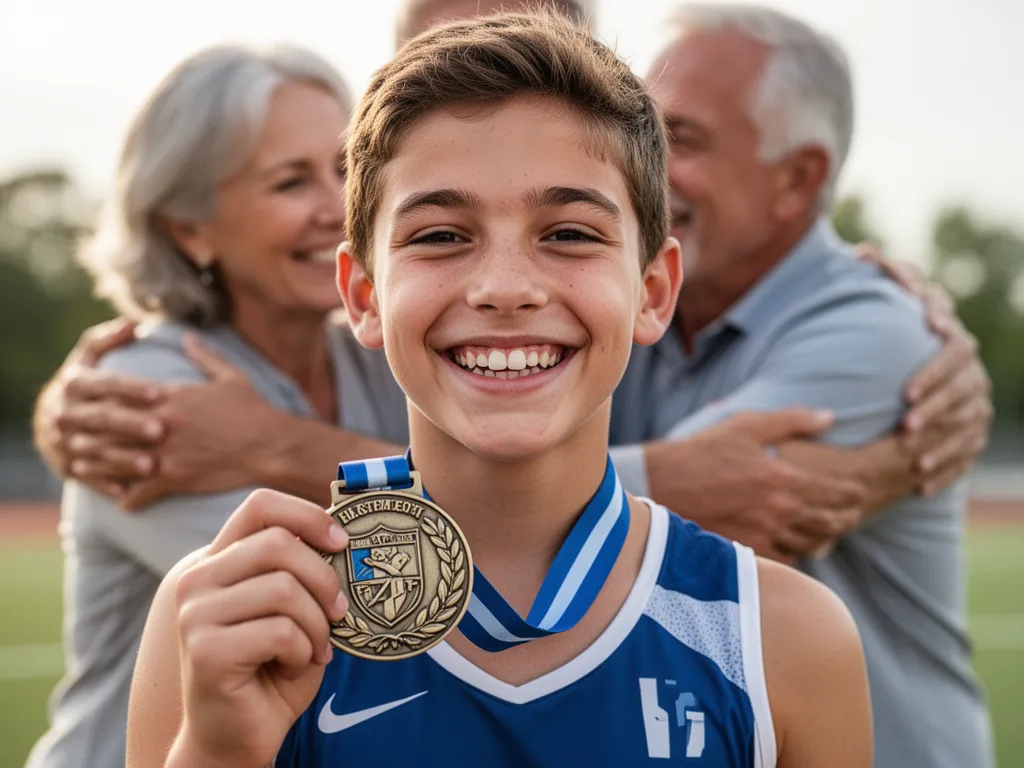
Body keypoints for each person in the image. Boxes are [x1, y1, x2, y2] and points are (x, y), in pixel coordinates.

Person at [126, 12, 873, 767]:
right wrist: (217, 753)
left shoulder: (779, 636)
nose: (505, 288)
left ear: (651, 290)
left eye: (570, 233)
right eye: (441, 235)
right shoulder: (235, 616)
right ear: (362, 295)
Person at [33, 0, 991, 565]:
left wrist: (276, 447)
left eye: (568, 227)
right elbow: (419, 573)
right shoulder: (180, 390)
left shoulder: (841, 324)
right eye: (293, 180)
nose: (505, 281)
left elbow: (747, 503)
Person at [609, 5, 991, 766]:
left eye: (676, 140)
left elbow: (621, 529)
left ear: (797, 179)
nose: (635, 169)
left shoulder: (876, 333)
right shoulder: (636, 297)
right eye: (636, 134)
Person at [23, 45, 411, 768]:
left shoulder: (377, 356)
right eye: (290, 182)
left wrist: (278, 441)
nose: (336, 209)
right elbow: (389, 600)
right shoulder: (143, 387)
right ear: (188, 227)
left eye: (343, 169)